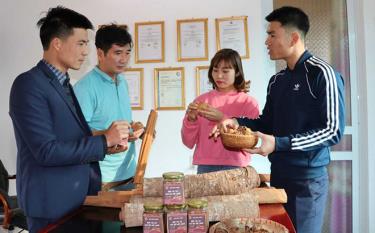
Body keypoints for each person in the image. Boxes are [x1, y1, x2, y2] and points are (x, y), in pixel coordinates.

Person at [212, 6, 345, 233]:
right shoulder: (277, 80)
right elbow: (267, 123)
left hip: (307, 182)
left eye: (272, 35)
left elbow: (333, 130)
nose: (267, 41)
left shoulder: (322, 73)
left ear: (293, 37)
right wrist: (236, 122)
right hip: (279, 175)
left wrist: (280, 143)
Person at [9, 7, 130, 233]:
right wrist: (103, 141)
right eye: (81, 43)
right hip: (52, 205)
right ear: (57, 43)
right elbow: (46, 150)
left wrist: (107, 141)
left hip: (78, 200)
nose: (86, 51)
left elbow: (71, 138)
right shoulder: (28, 85)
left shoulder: (63, 83)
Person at [74, 24, 144, 191]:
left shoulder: (122, 81)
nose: (124, 59)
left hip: (129, 173)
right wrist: (109, 135)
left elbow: (117, 121)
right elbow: (78, 134)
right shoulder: (85, 87)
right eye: (118, 53)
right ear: (100, 53)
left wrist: (135, 129)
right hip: (103, 179)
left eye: (127, 53)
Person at [181, 48, 259, 174]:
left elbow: (252, 141)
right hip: (205, 166)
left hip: (237, 166)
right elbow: (187, 142)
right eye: (215, 70)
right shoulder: (201, 101)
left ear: (237, 72)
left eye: (225, 71)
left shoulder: (248, 103)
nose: (219, 75)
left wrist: (223, 118)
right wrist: (191, 120)